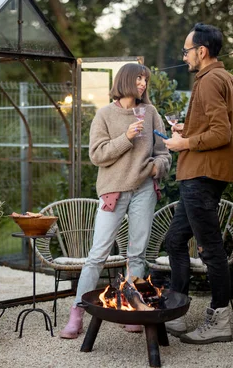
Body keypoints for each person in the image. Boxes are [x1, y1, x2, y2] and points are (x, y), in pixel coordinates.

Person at [60, 63, 171, 339]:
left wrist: (158, 167)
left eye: (145, 79)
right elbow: (97, 155)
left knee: (137, 254)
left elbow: (164, 152)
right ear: (125, 81)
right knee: (97, 254)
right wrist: (126, 138)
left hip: (144, 188)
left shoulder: (152, 113)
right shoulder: (105, 115)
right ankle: (76, 314)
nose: (143, 84)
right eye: (139, 79)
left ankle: (133, 309)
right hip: (113, 191)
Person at [161, 23, 233, 344]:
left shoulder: (209, 81)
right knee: (174, 241)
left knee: (211, 250)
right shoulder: (230, 80)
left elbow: (222, 134)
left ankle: (219, 318)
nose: (184, 57)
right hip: (206, 173)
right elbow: (218, 126)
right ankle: (176, 311)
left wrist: (182, 143)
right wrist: (189, 127)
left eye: (186, 51)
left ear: (202, 51)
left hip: (201, 175)